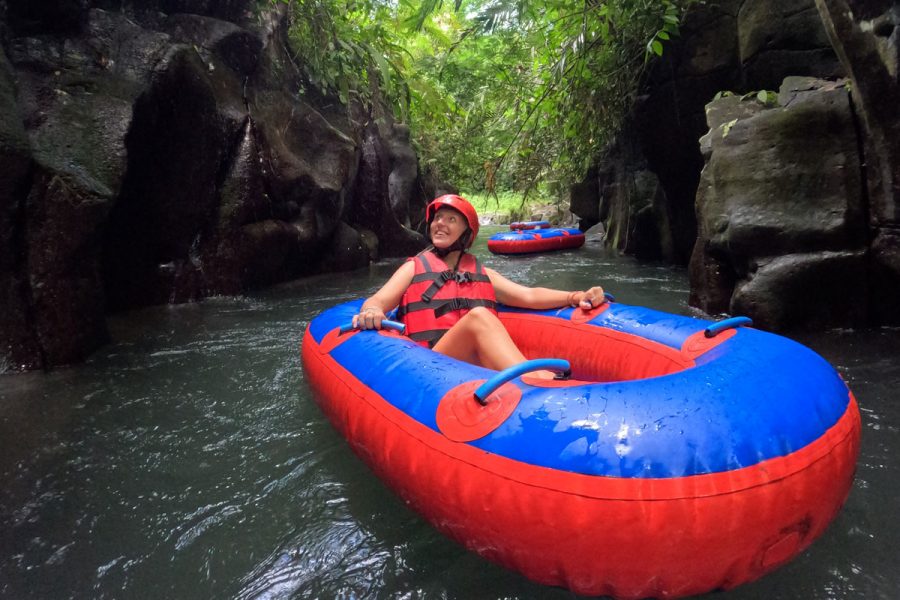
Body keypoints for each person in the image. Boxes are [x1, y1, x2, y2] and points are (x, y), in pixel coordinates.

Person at [351, 194, 606, 375]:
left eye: (451, 220)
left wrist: (575, 296)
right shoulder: (414, 267)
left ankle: (540, 380)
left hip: (471, 370)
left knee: (479, 318)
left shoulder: (482, 273)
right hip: (430, 366)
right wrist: (372, 310)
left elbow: (528, 296)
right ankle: (541, 382)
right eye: (438, 218)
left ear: (466, 233)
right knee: (479, 318)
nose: (440, 223)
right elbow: (378, 301)